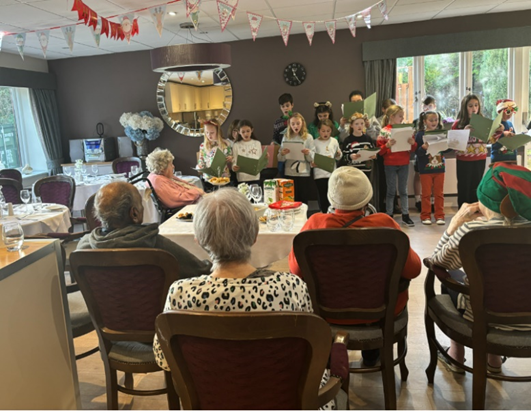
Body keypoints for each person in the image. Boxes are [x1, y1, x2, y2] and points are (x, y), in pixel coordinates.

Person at [153, 188, 336, 409]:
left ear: (199, 240)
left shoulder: (180, 294)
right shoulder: (291, 287)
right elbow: (309, 355)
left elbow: (163, 359)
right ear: (255, 235)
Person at [288, 166, 421, 366]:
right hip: (381, 312)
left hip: (326, 312)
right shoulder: (385, 224)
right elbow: (414, 269)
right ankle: (371, 353)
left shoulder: (315, 224)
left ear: (332, 198)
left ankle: (331, 354)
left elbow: (295, 271)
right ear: (367, 197)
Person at [429, 163, 531, 374]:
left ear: (483, 200)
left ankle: (456, 356)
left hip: (482, 315)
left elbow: (437, 262)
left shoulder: (471, 231)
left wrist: (453, 225)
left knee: (453, 280)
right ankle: (493, 361)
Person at [77, 181, 211, 278]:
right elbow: (201, 271)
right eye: (141, 204)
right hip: (158, 315)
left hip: (107, 316)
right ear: (134, 214)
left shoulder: (83, 248)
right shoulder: (157, 245)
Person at [452, 94, 497, 208]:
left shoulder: (483, 122)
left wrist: (497, 132)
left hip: (479, 158)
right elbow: (453, 144)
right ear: (464, 107)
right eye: (470, 106)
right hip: (464, 159)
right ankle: (463, 211)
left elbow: (490, 140)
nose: (474, 108)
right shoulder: (458, 124)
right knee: (464, 186)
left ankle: (475, 210)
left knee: (476, 186)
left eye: (476, 105)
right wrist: (464, 132)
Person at [377, 105, 417, 226]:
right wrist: (387, 146)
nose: (402, 118)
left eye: (402, 116)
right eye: (400, 116)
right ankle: (389, 215)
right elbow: (379, 151)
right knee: (390, 191)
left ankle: (405, 215)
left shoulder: (406, 129)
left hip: (403, 163)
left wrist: (413, 143)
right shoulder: (384, 130)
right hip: (390, 164)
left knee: (403, 191)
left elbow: (413, 148)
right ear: (392, 117)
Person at [415, 111, 447, 225]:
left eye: (436, 120)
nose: (434, 122)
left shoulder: (442, 133)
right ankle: (425, 216)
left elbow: (446, 149)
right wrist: (423, 148)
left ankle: (439, 216)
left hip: (439, 168)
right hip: (425, 170)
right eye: (431, 120)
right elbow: (417, 153)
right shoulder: (420, 135)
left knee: (439, 193)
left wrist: (452, 144)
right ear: (424, 121)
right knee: (426, 194)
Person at [277, 112, 315, 204]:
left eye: (298, 123)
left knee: (303, 200)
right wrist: (282, 153)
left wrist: (308, 153)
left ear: (302, 123)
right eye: (293, 124)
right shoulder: (286, 137)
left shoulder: (308, 137)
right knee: (290, 200)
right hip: (289, 173)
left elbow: (313, 158)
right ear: (290, 125)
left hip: (303, 173)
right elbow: (279, 158)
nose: (295, 126)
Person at [413, 96, 438, 211]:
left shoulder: (438, 122)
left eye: (430, 105)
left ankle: (432, 202)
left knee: (433, 180)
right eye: (425, 106)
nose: (428, 108)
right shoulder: (417, 122)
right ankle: (418, 200)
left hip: (434, 157)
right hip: (421, 156)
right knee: (418, 175)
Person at [311, 119, 341, 213]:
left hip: (331, 173)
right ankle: (323, 213)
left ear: (331, 131)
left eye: (328, 131)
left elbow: (339, 155)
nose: (325, 133)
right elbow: (312, 155)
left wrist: (338, 154)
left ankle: (332, 213)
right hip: (319, 174)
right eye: (323, 131)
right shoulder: (314, 142)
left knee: (332, 194)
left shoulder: (334, 141)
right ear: (318, 131)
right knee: (322, 195)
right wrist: (312, 162)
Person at [196, 119, 233, 192]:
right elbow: (201, 161)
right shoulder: (203, 146)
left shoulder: (225, 144)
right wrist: (199, 167)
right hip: (209, 179)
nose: (209, 135)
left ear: (217, 132)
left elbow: (230, 158)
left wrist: (231, 159)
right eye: (207, 132)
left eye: (212, 133)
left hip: (223, 178)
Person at [339, 112, 376, 180]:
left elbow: (373, 151)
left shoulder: (368, 139)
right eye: (356, 124)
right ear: (351, 125)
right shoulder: (348, 140)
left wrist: (374, 155)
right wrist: (350, 156)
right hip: (353, 172)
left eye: (362, 123)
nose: (360, 126)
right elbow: (344, 156)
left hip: (366, 171)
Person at [231, 119, 263, 186]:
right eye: (243, 132)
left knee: (256, 194)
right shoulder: (236, 145)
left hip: (255, 177)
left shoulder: (257, 143)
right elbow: (234, 161)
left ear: (252, 130)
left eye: (248, 131)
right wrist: (234, 167)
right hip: (242, 178)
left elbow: (260, 160)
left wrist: (265, 158)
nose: (246, 134)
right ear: (239, 132)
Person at [489, 99, 518, 164]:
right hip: (498, 158)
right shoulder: (495, 123)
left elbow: (514, 139)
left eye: (512, 111)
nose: (510, 114)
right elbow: (491, 139)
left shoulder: (510, 124)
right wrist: (503, 134)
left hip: (511, 157)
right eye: (508, 111)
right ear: (500, 112)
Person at [273, 93, 294, 178]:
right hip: (283, 151)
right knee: (282, 172)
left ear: (292, 105)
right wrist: (273, 143)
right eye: (283, 106)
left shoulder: (296, 119)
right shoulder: (277, 122)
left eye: (287, 105)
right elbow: (275, 137)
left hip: (294, 151)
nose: (285, 108)